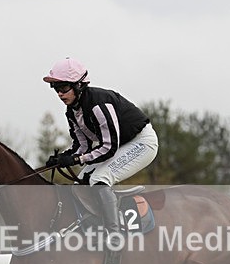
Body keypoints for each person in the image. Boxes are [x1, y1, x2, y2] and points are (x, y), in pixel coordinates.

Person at [43, 57, 158, 248]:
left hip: (142, 143)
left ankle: (114, 234)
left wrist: (76, 158)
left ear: (79, 85)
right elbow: (83, 146)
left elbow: (108, 148)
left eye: (63, 88)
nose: (60, 94)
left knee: (99, 179)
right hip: (121, 145)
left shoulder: (98, 104)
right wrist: (63, 158)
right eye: (56, 88)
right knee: (81, 181)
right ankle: (93, 225)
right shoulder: (72, 111)